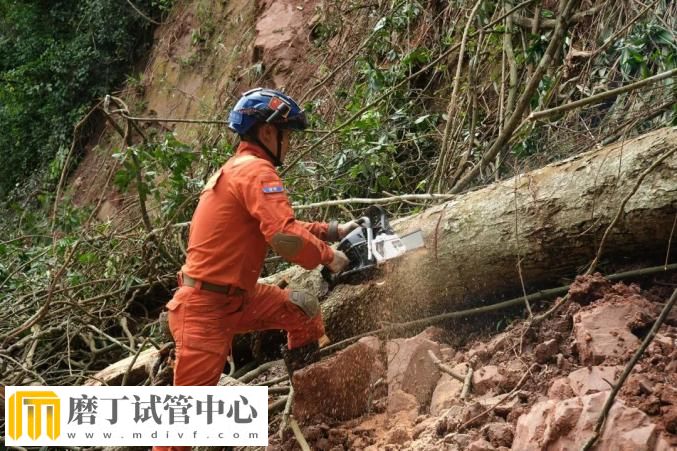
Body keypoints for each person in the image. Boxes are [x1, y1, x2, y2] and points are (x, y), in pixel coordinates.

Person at [152, 88, 356, 451]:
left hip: (237, 298)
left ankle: (311, 405)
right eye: (286, 135)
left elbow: (282, 225)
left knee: (302, 309)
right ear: (267, 133)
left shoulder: (238, 170)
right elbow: (283, 237)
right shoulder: (255, 171)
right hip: (204, 310)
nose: (288, 144)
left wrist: (333, 231)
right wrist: (330, 256)